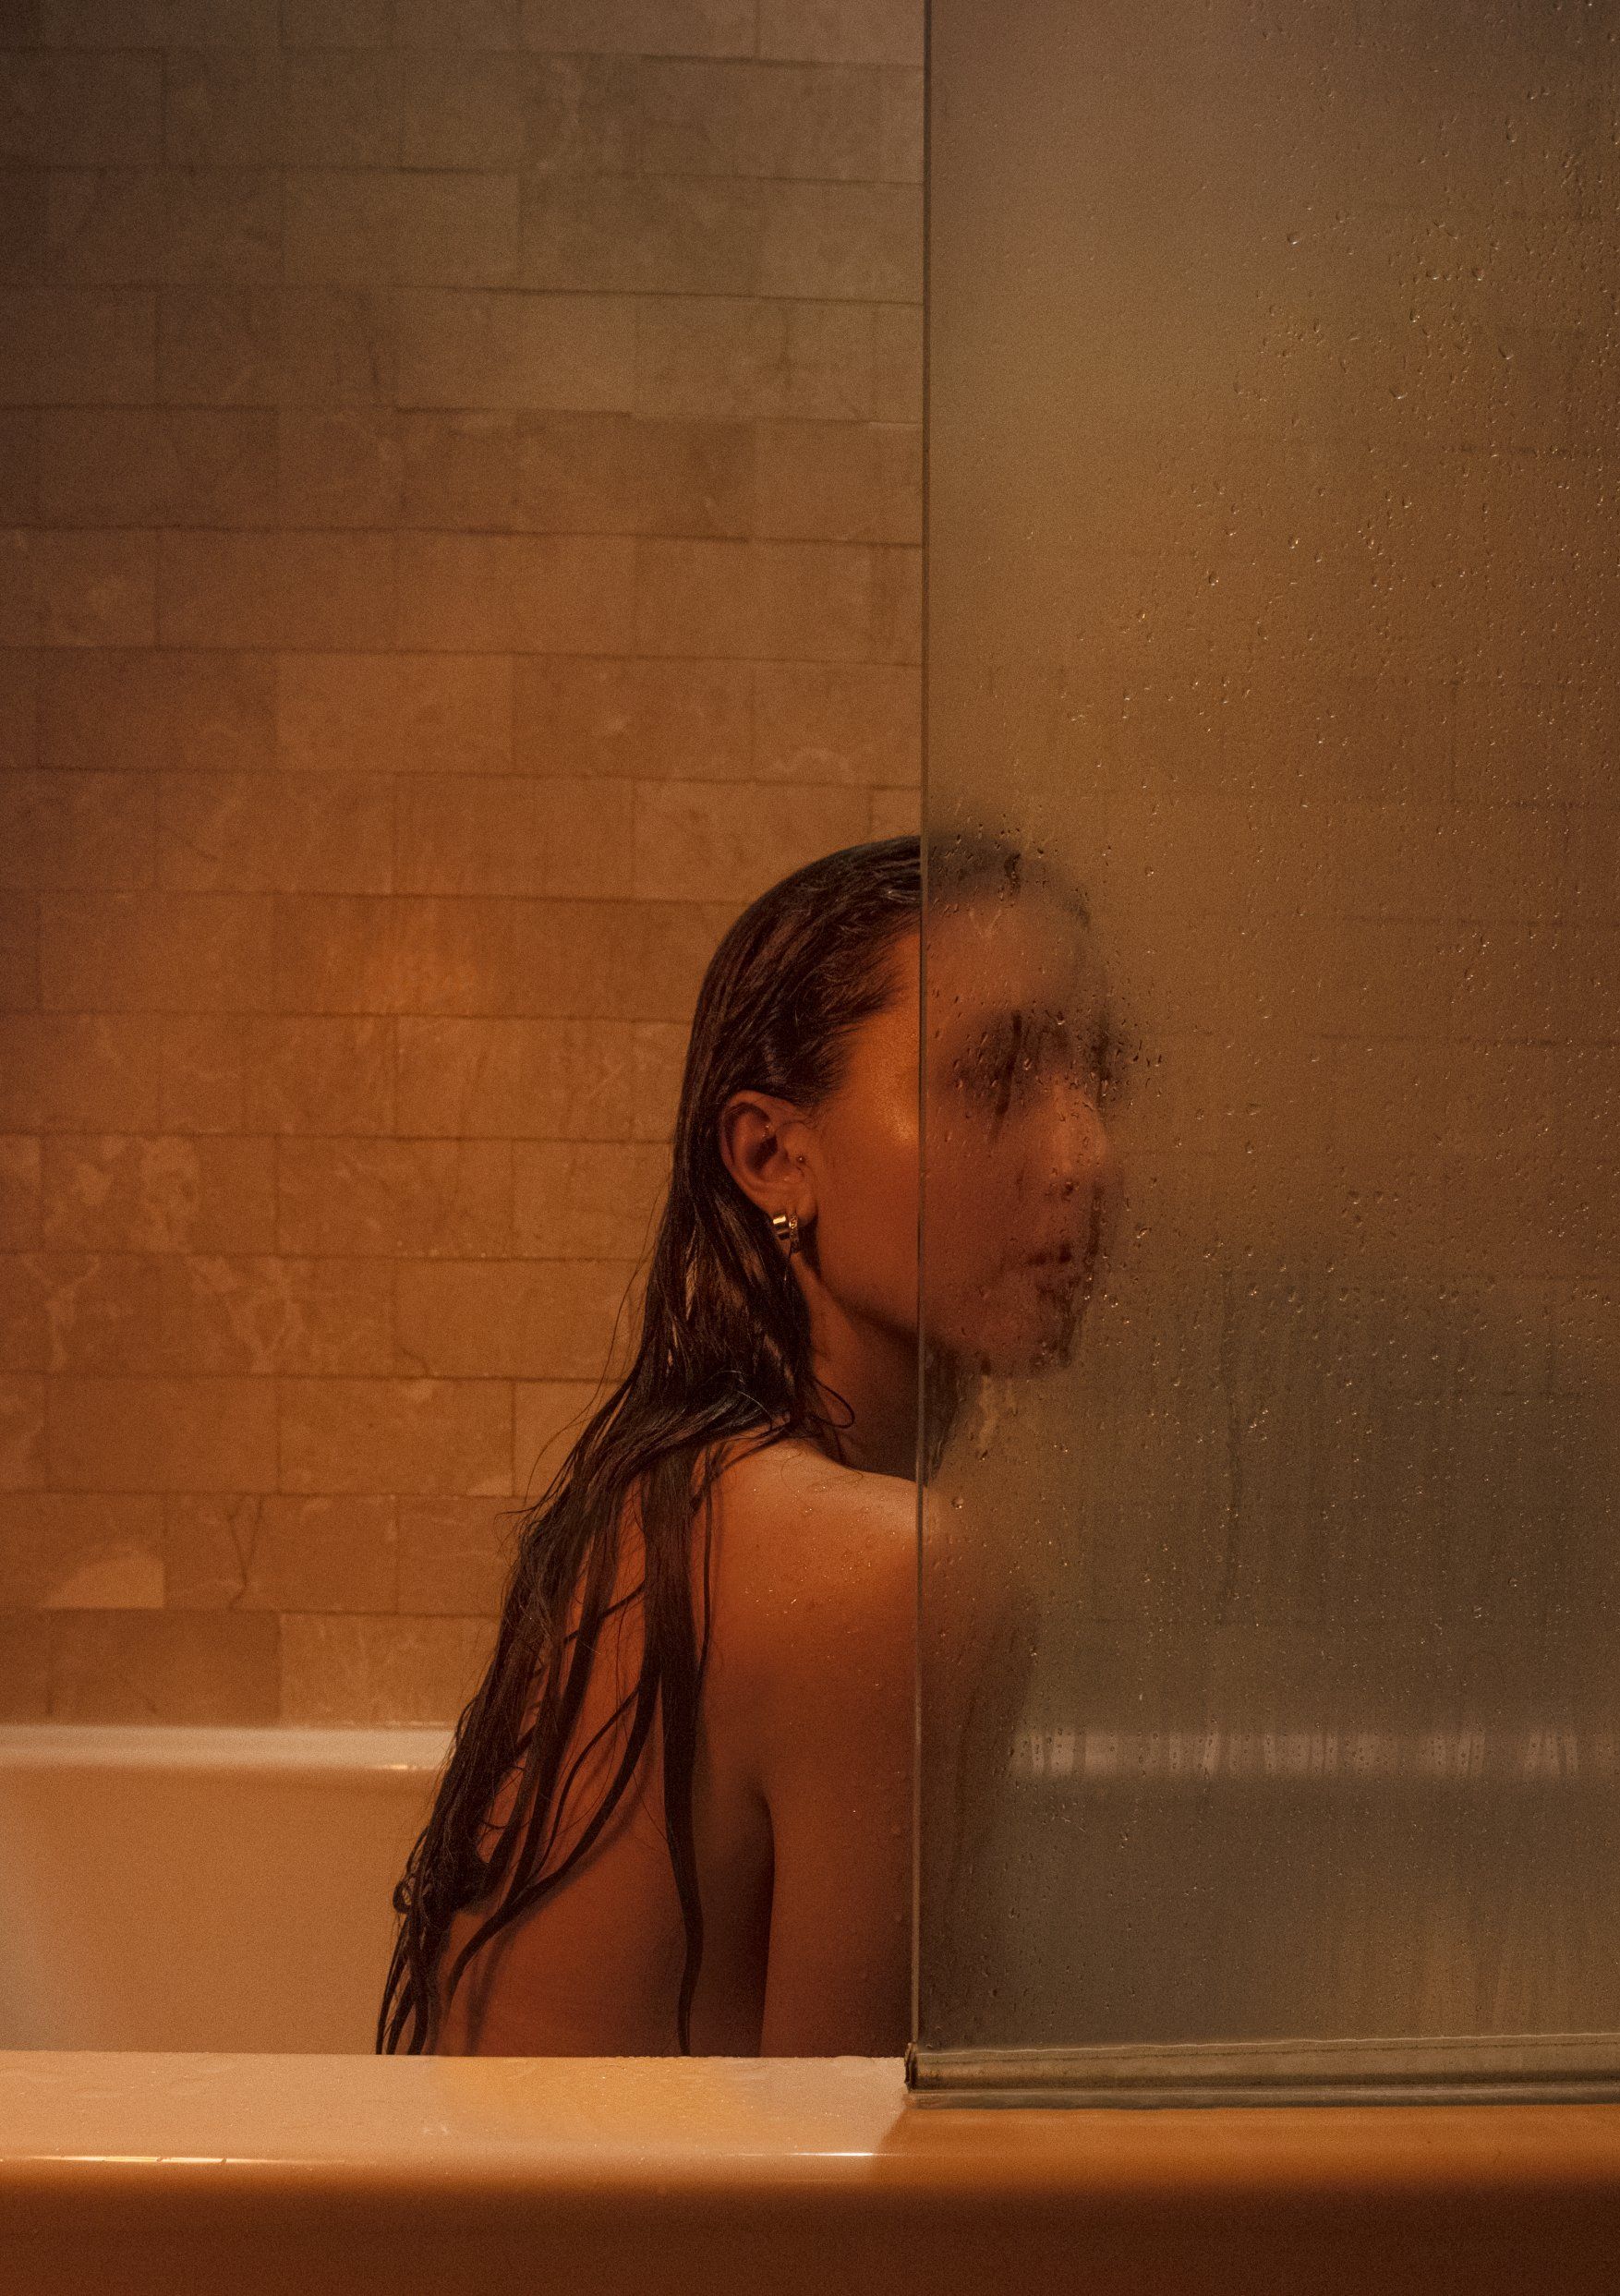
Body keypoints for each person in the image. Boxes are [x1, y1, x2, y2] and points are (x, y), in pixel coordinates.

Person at [377, 831, 1120, 2057]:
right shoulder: (889, 1571)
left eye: (1101, 1076)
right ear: (775, 1154)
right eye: (994, 1076)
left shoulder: (672, 1484)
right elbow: (858, 2208)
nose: (1088, 1155)